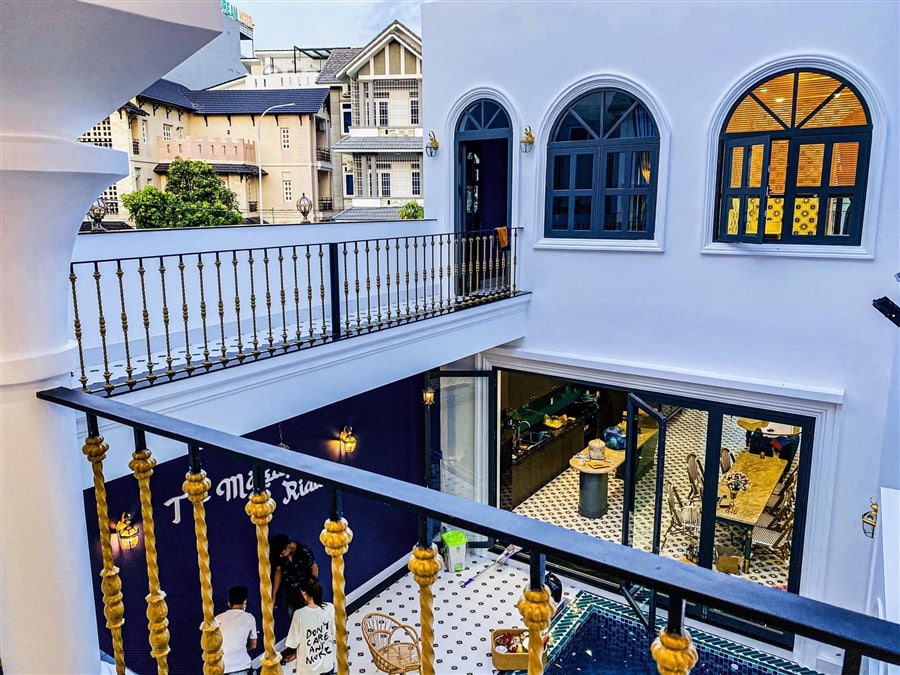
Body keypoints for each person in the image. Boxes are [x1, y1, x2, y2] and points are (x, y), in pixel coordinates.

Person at [282, 576, 335, 675]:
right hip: (326, 664)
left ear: (304, 593)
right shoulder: (330, 608)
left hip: (308, 669)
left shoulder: (299, 614)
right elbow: (334, 634)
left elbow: (293, 643)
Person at [215, 585, 257, 675]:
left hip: (221, 668)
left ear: (229, 603)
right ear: (244, 602)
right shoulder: (249, 617)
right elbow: (253, 645)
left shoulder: (217, 619)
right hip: (242, 667)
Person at [272, 539, 319, 619]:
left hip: (305, 593)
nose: (281, 556)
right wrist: (274, 595)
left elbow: (314, 569)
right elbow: (278, 572)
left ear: (288, 547)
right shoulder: (281, 557)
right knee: (294, 620)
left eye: (282, 554)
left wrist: (311, 589)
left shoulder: (304, 551)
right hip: (291, 595)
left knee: (309, 619)